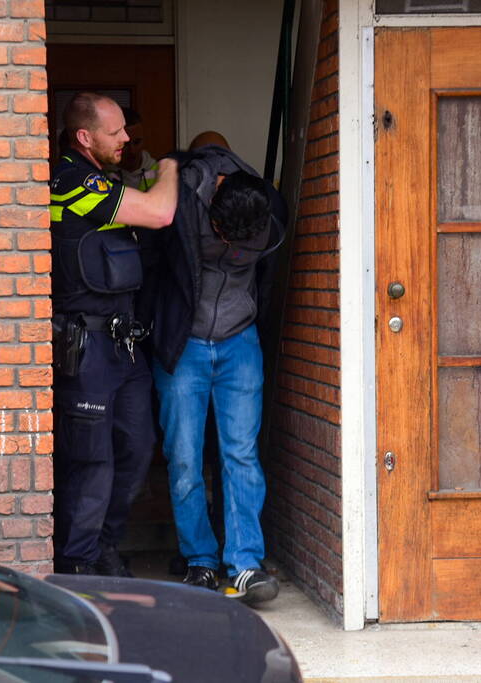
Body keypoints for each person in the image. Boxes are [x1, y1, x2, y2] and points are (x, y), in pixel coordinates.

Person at [146, 134, 286, 604]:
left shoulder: (268, 210)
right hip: (183, 342)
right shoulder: (182, 199)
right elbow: (150, 262)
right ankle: (200, 560)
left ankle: (245, 564)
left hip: (239, 341)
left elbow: (267, 281)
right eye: (221, 237)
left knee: (240, 454)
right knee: (184, 455)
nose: (229, 245)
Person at [50, 92, 178, 577]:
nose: (127, 138)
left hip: (123, 347)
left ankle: (103, 545)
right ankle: (79, 564)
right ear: (85, 136)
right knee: (92, 460)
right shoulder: (70, 181)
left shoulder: (102, 179)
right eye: (115, 131)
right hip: (86, 347)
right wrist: (170, 167)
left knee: (137, 448)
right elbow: (161, 212)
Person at [107, 107, 160, 192]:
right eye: (125, 144)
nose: (132, 150)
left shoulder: (159, 172)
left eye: (137, 142)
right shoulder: (102, 175)